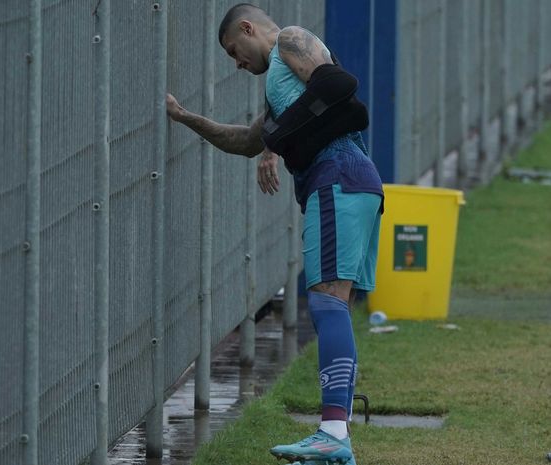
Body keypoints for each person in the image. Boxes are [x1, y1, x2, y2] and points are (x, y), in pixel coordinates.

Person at [166, 3, 383, 464]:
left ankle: (332, 432)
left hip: (337, 177)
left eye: (234, 51)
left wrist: (278, 141)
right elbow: (247, 142)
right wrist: (186, 118)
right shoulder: (280, 89)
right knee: (333, 305)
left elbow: (337, 85)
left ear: (248, 28)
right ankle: (336, 435)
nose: (237, 63)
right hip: (351, 182)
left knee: (325, 304)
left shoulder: (289, 41)